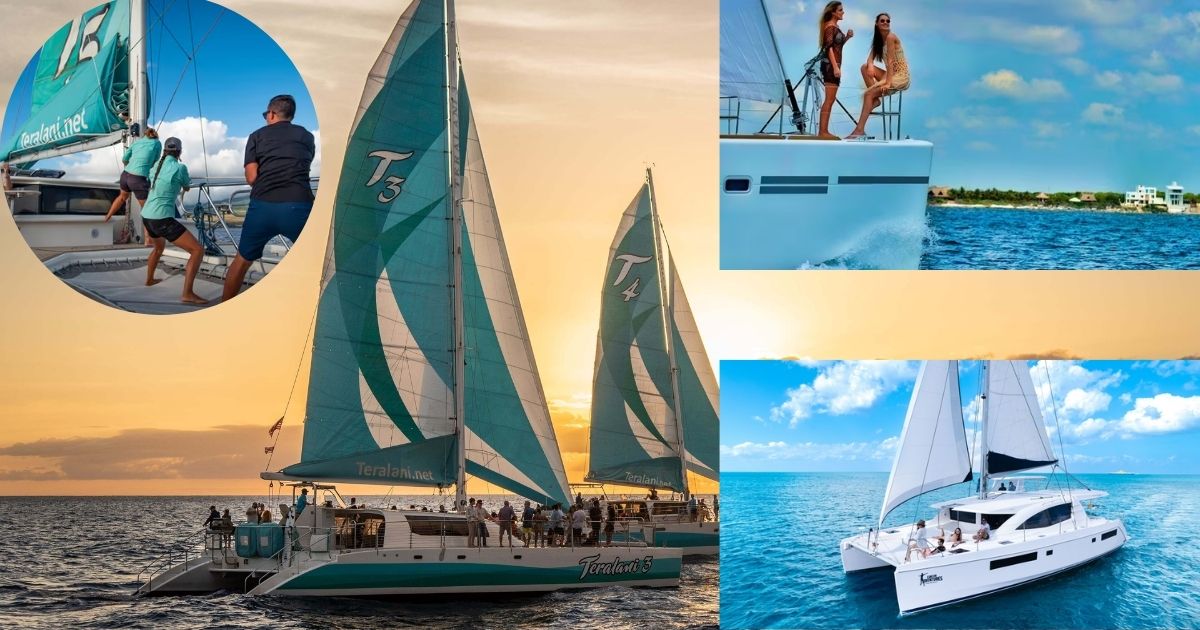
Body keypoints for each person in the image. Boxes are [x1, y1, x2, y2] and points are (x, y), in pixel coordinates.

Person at [223, 94, 315, 302]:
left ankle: (224, 306)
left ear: (272, 114)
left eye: (266, 114)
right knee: (313, 260)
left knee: (242, 260)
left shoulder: (257, 136)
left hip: (263, 206)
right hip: (299, 204)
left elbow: (251, 177)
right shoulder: (307, 136)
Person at [139, 137, 208, 303]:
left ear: (164, 151)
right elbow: (186, 185)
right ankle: (187, 294)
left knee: (158, 248)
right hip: (162, 219)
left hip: (147, 216)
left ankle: (149, 280)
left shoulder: (155, 166)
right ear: (179, 152)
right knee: (197, 250)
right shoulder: (180, 168)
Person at [846, 13, 911, 139]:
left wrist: (887, 83)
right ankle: (875, 99)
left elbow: (891, 62)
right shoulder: (879, 41)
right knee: (864, 67)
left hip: (900, 75)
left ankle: (859, 130)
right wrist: (870, 66)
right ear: (877, 23)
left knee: (868, 94)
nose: (886, 23)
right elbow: (869, 59)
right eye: (882, 21)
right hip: (889, 73)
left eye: (888, 21)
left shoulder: (891, 37)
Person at [104, 127, 161, 224]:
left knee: (122, 198)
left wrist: (130, 166)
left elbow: (124, 159)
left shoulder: (136, 143)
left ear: (144, 135)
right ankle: (148, 238)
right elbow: (155, 160)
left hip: (125, 175)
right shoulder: (157, 143)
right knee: (148, 211)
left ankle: (106, 218)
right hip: (138, 179)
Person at [817, 1, 853, 139]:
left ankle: (823, 131)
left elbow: (838, 46)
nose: (843, 12)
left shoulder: (835, 27)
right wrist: (835, 67)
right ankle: (823, 132)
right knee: (829, 99)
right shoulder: (830, 27)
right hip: (830, 66)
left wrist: (847, 37)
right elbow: (829, 48)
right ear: (833, 12)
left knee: (831, 99)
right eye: (840, 10)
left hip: (834, 65)